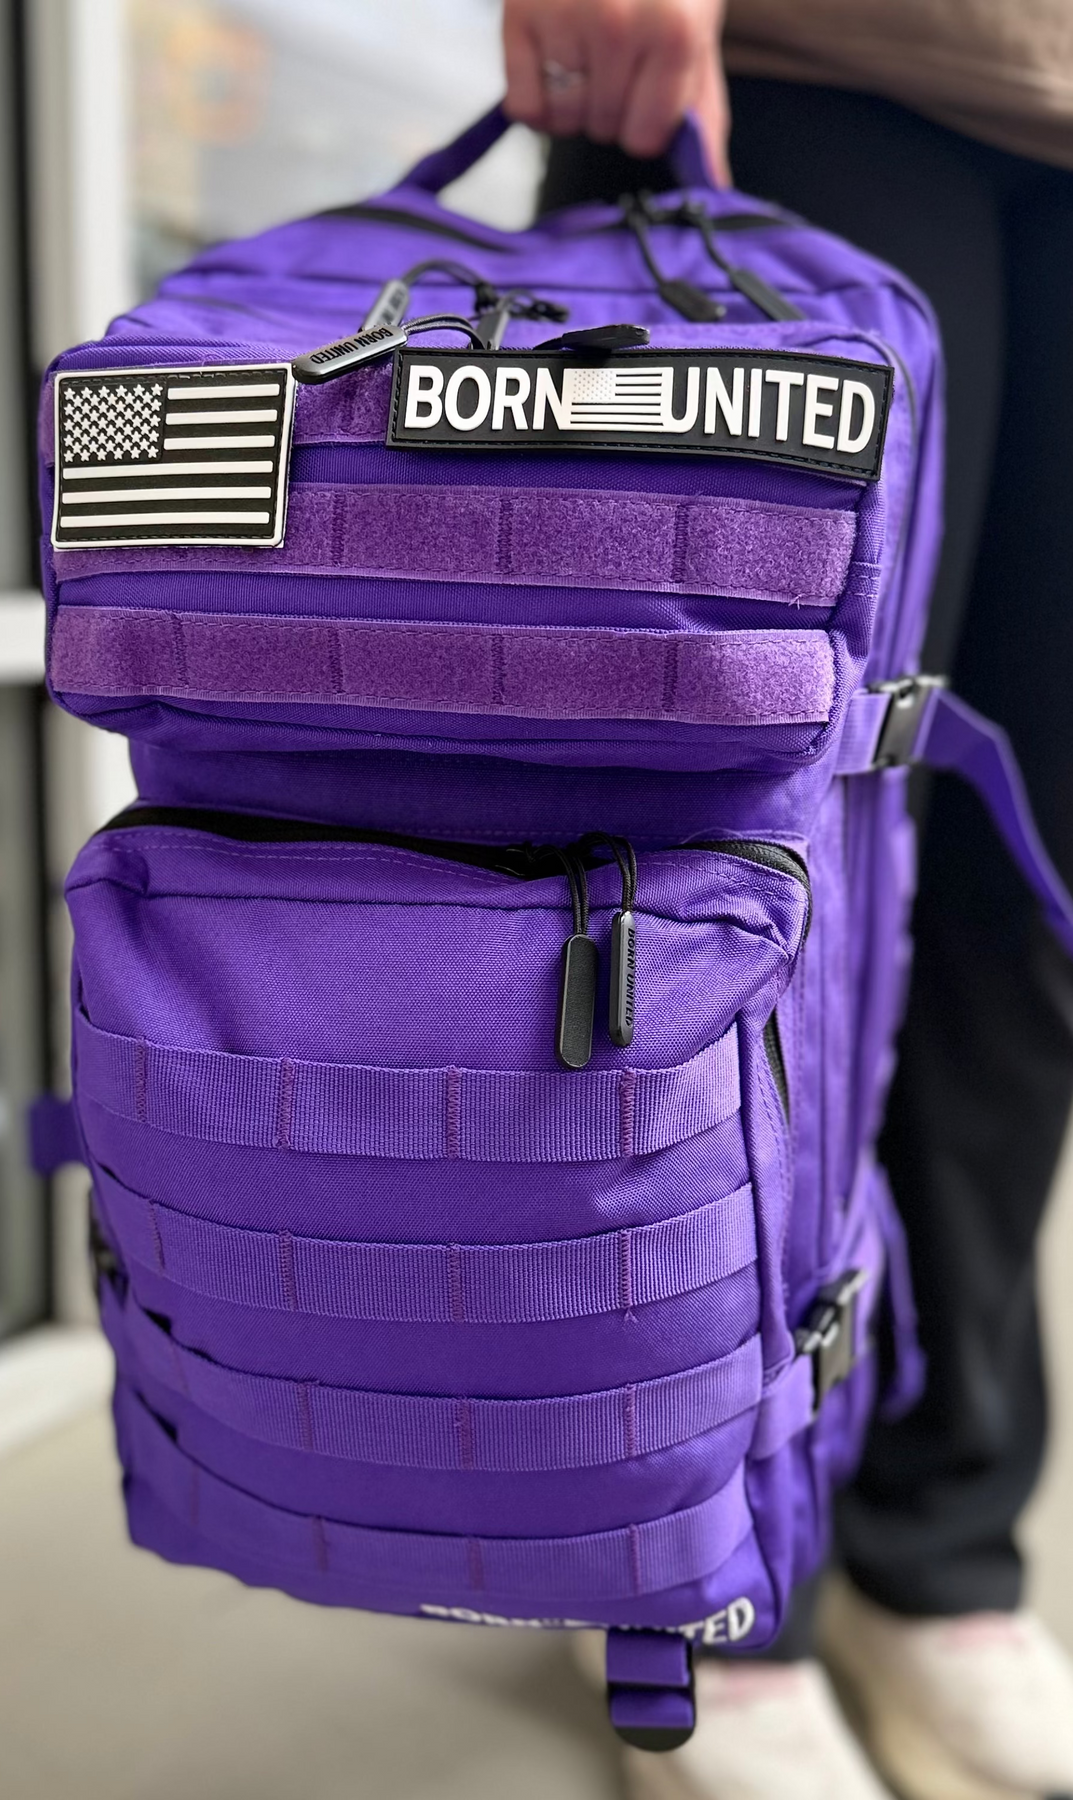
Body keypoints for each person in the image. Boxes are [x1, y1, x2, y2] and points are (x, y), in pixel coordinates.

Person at [502, 4, 1073, 1798]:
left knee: (1025, 896)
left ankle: (938, 1554)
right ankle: (706, 1575)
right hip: (800, 73)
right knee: (730, 881)